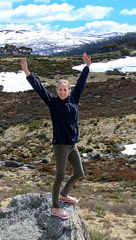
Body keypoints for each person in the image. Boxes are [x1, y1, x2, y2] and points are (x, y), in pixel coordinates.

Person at [21, 53, 91, 219]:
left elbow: (81, 83)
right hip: (60, 145)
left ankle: (64, 195)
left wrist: (87, 67)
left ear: (68, 90)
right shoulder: (53, 103)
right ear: (57, 91)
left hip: (72, 145)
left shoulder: (74, 99)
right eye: (60, 89)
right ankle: (55, 207)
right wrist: (27, 73)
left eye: (65, 89)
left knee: (79, 173)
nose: (62, 92)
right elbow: (40, 89)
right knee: (59, 176)